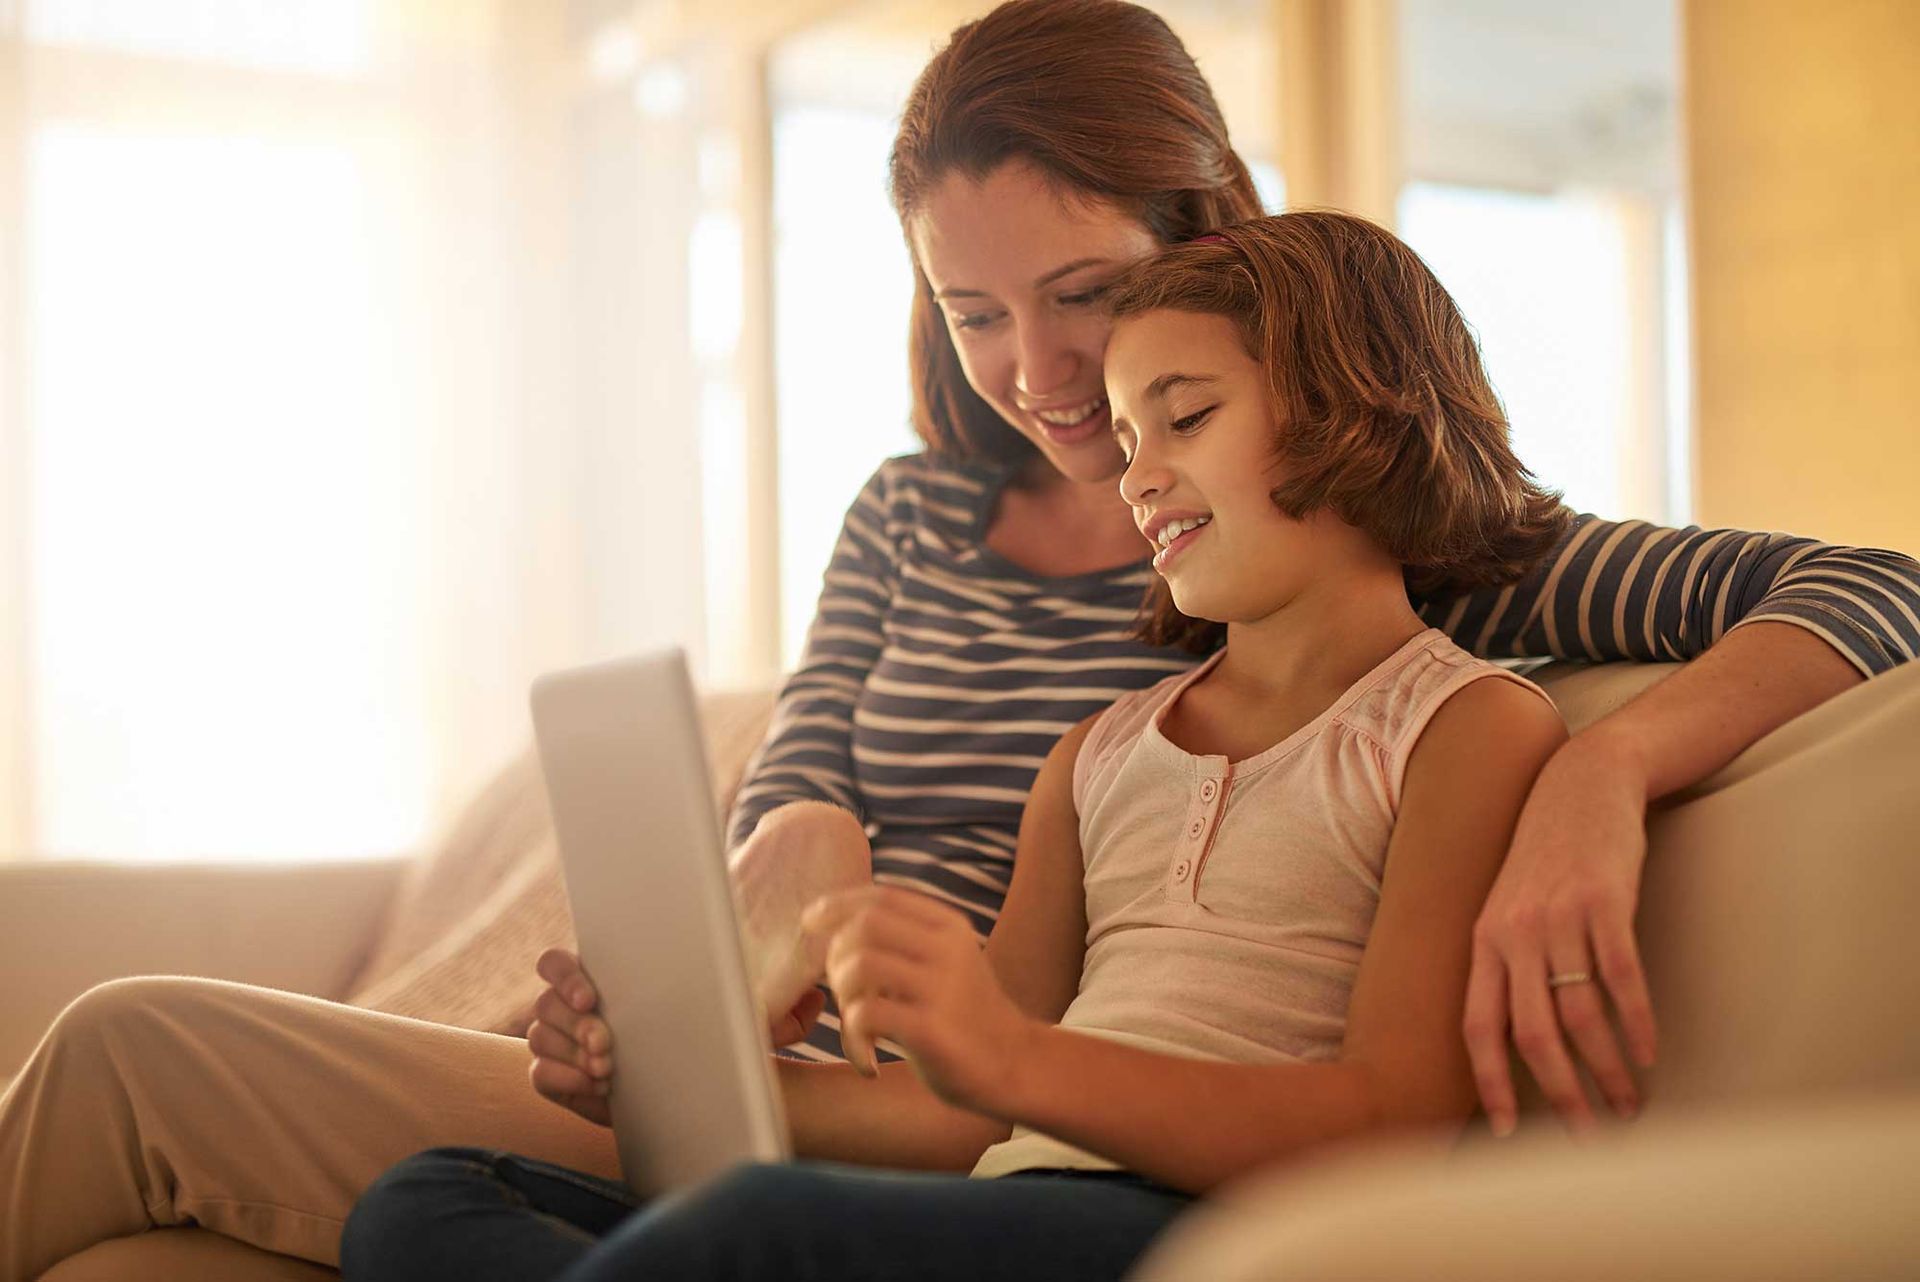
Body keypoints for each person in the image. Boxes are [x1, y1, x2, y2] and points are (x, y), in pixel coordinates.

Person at [1, 2, 1915, 1277]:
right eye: (975, 313)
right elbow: (799, 820)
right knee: (284, 1113)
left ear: (1210, 235)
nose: (1040, 376)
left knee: (126, 1047)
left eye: (1086, 296)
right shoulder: (917, 520)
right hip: (851, 1091)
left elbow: (1874, 589)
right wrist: (681, 1004)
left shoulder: (1372, 551)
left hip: (1001, 1134)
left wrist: (1602, 766)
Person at [339, 208, 1578, 1281]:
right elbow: (954, 1109)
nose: (1138, 478)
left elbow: (1392, 1116)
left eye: (1184, 416)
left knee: (759, 1227)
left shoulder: (1462, 723)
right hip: (1000, 1205)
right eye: (1127, 442)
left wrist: (1017, 1060)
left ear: (1353, 409)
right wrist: (671, 1081)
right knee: (430, 1196)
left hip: (1200, 1229)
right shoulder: (1097, 754)